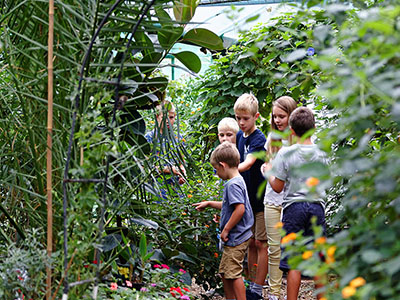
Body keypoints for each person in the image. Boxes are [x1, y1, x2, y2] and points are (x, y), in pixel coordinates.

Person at [264, 107, 327, 300]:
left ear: (291, 130)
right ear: (314, 128)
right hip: (317, 207)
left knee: (293, 263)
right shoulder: (322, 153)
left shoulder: (285, 153)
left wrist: (267, 173)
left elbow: (277, 187)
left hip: (294, 210)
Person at [193, 142, 254, 300]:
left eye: (216, 169)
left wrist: (226, 229)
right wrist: (209, 203)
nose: (216, 173)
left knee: (233, 274)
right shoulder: (238, 180)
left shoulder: (232, 185)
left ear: (223, 165)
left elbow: (240, 209)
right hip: (239, 235)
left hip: (236, 236)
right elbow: (230, 206)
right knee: (225, 272)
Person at [260, 96, 297, 300]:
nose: (278, 120)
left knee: (290, 249)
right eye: (275, 117)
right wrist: (266, 170)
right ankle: (274, 292)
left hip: (292, 200)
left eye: (282, 116)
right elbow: (268, 165)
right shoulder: (272, 139)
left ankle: (291, 292)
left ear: (292, 116)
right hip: (272, 198)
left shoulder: (299, 140)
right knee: (274, 248)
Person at [234, 93, 267, 300]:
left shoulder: (259, 138)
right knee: (250, 241)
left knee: (261, 243)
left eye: (245, 118)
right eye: (238, 118)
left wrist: (228, 168)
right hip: (246, 200)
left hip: (260, 199)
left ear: (255, 116)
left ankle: (258, 287)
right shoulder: (239, 136)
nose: (241, 122)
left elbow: (247, 163)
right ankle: (250, 282)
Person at [145, 101, 186, 198]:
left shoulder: (178, 139)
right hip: (156, 190)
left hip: (175, 189)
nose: (168, 120)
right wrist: (167, 169)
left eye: (171, 117)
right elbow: (144, 167)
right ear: (157, 117)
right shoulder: (149, 138)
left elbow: (182, 162)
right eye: (164, 117)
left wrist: (182, 173)